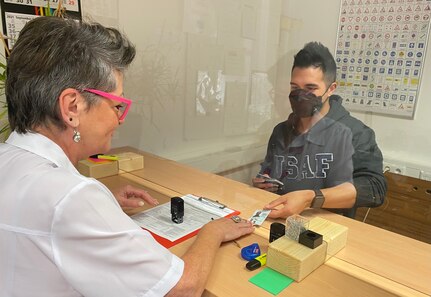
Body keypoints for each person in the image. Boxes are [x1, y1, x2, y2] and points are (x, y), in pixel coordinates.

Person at [0, 17, 254, 297]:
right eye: (117, 105)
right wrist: (212, 231)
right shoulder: (70, 198)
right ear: (72, 106)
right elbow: (182, 289)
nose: (120, 120)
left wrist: (103, 208)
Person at [253, 42, 387, 218]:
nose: (300, 95)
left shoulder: (356, 134)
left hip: (327, 229)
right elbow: (271, 173)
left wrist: (311, 198)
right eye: (295, 88)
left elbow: (374, 188)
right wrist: (265, 182)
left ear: (331, 89)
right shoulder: (281, 131)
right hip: (280, 220)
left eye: (310, 88)